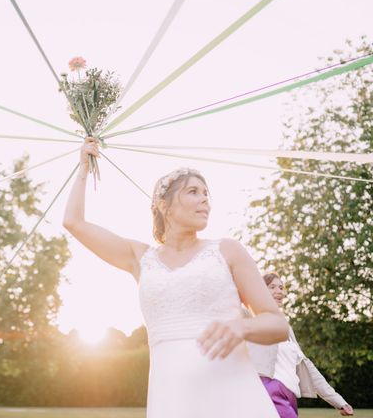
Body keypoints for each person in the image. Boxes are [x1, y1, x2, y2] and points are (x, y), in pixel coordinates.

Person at [62, 138, 289, 417]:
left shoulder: (227, 250)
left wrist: (242, 328)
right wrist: (84, 166)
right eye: (193, 191)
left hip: (233, 394)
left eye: (206, 193)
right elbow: (73, 222)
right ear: (163, 205)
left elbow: (277, 323)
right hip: (171, 399)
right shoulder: (139, 258)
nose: (205, 198)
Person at [247, 273, 354, 417]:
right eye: (272, 287)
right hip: (269, 391)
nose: (279, 291)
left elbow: (307, 367)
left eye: (281, 287)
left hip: (289, 394)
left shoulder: (286, 329)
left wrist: (339, 401)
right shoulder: (252, 321)